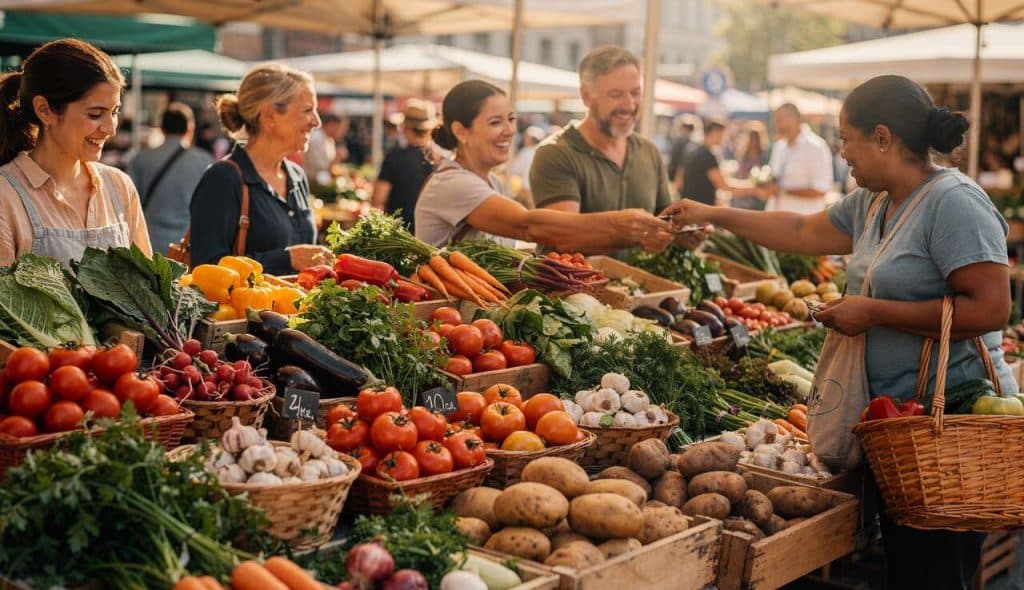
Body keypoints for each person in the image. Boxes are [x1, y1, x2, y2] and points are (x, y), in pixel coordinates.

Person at [662, 75, 1015, 589]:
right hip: (897, 427)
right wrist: (712, 214)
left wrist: (874, 312)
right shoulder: (874, 201)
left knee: (933, 573)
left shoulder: (954, 202)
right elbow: (802, 230)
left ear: (882, 137)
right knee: (909, 569)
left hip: (946, 430)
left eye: (847, 139)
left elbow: (991, 307)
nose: (842, 152)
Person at [415, 80, 672, 253]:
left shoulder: (491, 182)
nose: (509, 130)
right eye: (495, 122)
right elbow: (529, 226)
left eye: (511, 119)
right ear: (461, 131)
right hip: (445, 316)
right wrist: (618, 225)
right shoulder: (453, 184)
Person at [529, 46, 705, 254]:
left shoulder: (649, 152)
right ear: (586, 95)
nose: (629, 105)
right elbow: (562, 237)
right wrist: (629, 233)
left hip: (635, 276)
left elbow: (662, 222)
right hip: (575, 276)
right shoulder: (555, 153)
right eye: (616, 94)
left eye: (635, 93)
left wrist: (682, 235)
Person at [0, 39, 151, 267]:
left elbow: (149, 283)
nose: (110, 129)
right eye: (95, 114)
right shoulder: (6, 196)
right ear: (44, 110)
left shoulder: (119, 186)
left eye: (114, 112)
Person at [189, 64, 333, 275]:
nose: (317, 122)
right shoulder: (223, 178)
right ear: (269, 116)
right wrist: (287, 259)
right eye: (307, 110)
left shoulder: (297, 176)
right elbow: (205, 268)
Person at [128, 102, 213, 255]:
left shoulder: (141, 159)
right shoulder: (205, 161)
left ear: (161, 128)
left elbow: (128, 203)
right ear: (190, 129)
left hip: (148, 239)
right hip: (186, 244)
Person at [372, 100, 439, 232]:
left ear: (406, 128)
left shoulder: (394, 157)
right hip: (432, 235)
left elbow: (378, 199)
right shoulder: (441, 160)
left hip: (397, 234)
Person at [764, 103, 834, 214]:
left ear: (794, 119)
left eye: (779, 120)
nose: (776, 125)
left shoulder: (816, 147)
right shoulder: (779, 146)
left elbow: (821, 190)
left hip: (803, 220)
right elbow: (772, 178)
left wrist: (783, 191)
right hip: (776, 218)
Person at [681, 118, 764, 207]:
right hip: (699, 207)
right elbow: (724, 185)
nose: (723, 139)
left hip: (691, 205)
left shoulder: (693, 150)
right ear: (714, 132)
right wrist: (753, 187)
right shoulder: (707, 156)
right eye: (722, 135)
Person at [303, 112, 347, 188]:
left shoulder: (329, 140)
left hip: (321, 181)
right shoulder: (316, 139)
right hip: (313, 183)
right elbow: (320, 169)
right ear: (331, 125)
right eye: (340, 128)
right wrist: (337, 158)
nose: (341, 132)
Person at [506, 125, 545, 207]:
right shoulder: (543, 152)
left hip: (527, 189)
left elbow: (514, 170)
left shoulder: (525, 152)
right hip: (540, 189)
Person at [667, 114, 699, 194]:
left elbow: (681, 164)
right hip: (680, 178)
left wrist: (678, 180)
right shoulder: (689, 143)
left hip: (679, 178)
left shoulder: (683, 143)